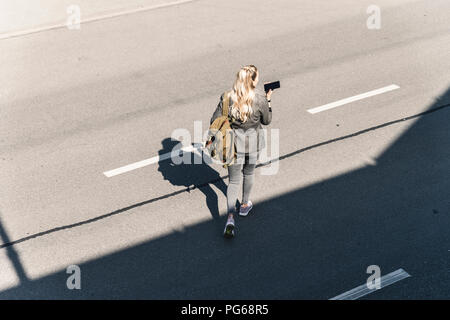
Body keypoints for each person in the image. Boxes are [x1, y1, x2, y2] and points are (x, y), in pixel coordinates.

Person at [210, 65, 273, 238]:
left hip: (233, 146)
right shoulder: (259, 97)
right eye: (257, 77)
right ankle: (244, 205)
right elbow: (267, 120)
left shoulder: (227, 97)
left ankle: (230, 217)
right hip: (253, 144)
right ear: (252, 80)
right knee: (249, 173)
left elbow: (214, 120)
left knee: (233, 181)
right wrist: (268, 100)